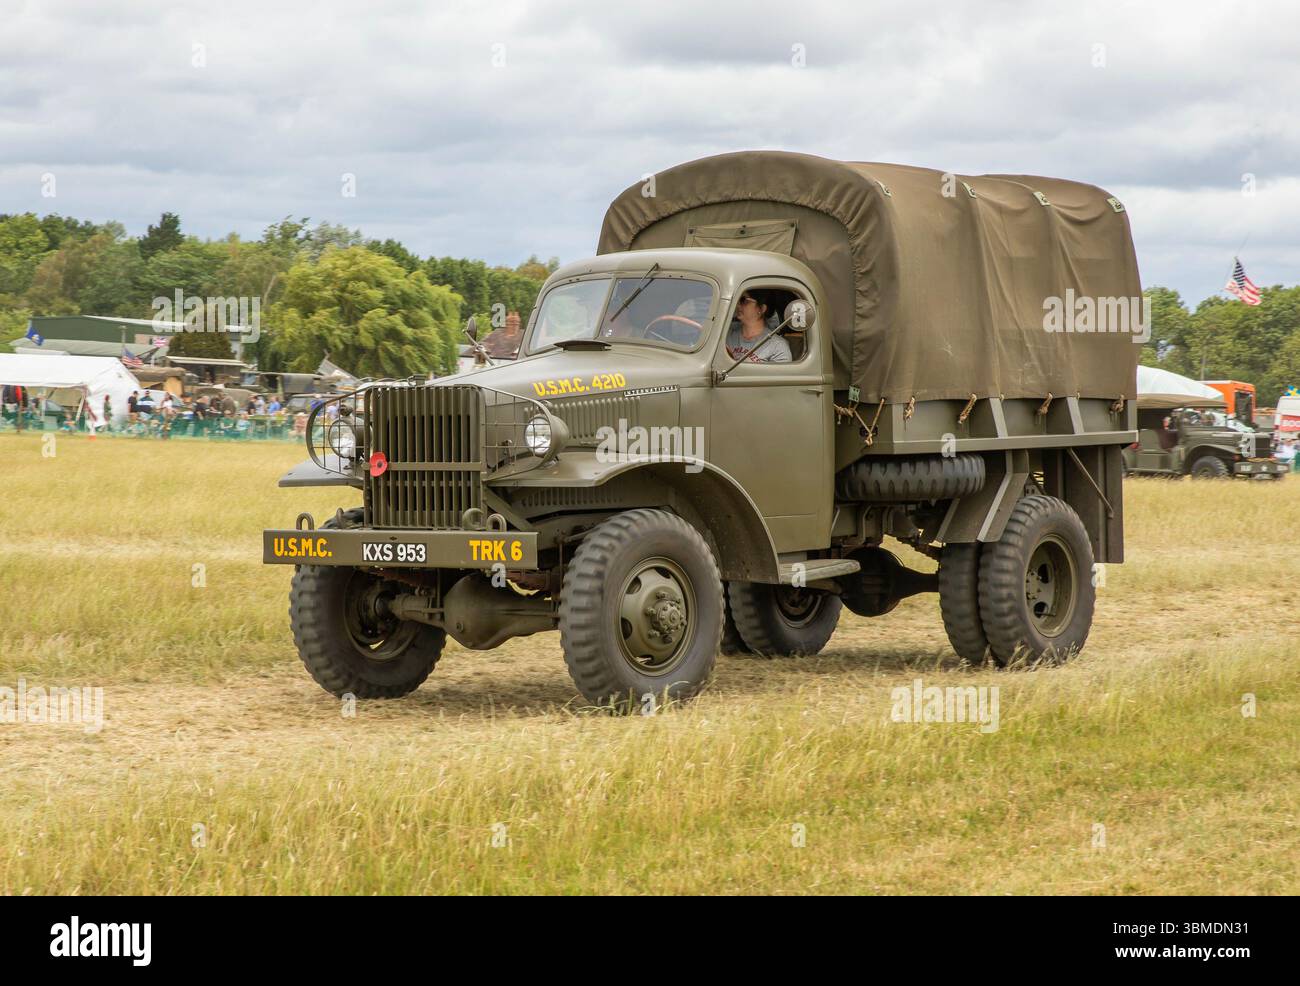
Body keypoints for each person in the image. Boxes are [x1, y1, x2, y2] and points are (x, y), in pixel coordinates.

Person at [726, 291, 792, 363]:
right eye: (737, 300)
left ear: (762, 309)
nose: (738, 305)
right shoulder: (725, 336)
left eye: (744, 300)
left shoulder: (778, 346)